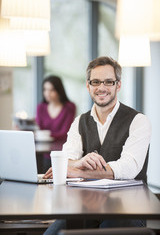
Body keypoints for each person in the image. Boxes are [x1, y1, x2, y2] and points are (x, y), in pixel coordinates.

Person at [43, 57, 151, 234]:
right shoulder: (80, 122)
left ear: (118, 85)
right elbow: (66, 160)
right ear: (88, 86)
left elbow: (129, 168)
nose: (102, 88)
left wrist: (76, 170)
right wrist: (76, 163)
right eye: (95, 82)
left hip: (127, 209)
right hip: (85, 207)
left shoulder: (139, 121)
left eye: (109, 82)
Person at [36, 75, 76, 172]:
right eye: (45, 89)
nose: (47, 93)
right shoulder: (41, 107)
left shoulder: (69, 107)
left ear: (59, 90)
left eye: (51, 90)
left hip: (62, 154)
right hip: (44, 153)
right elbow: (39, 129)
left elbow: (65, 132)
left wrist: (45, 136)